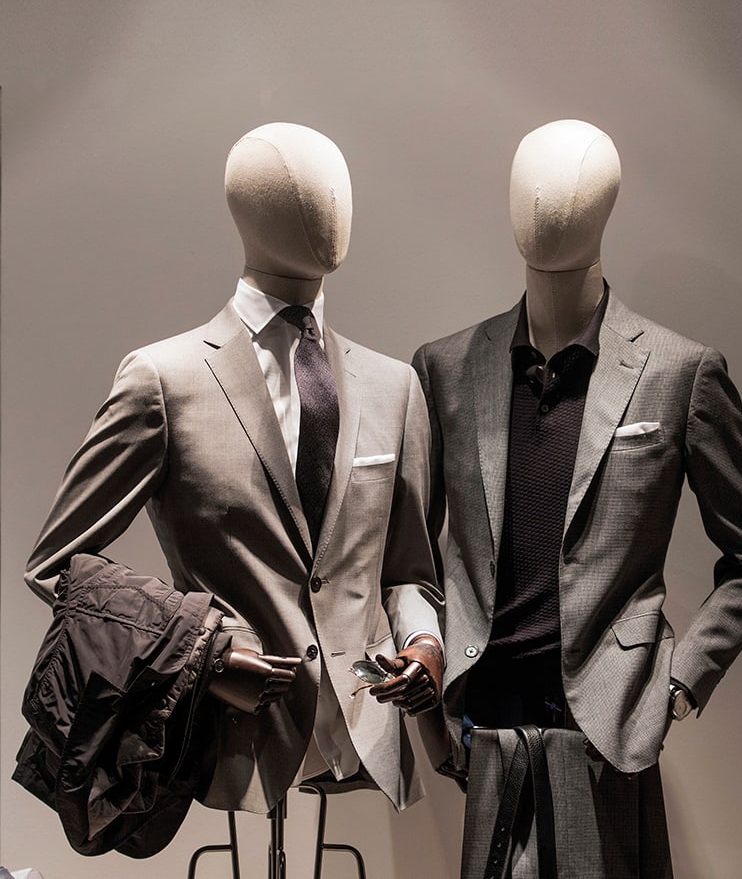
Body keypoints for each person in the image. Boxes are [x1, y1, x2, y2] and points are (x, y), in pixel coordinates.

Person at [25, 122, 443, 816]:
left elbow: (408, 571)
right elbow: (58, 563)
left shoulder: (393, 385)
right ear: (249, 207)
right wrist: (201, 650)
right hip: (231, 739)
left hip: (364, 730)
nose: (329, 209)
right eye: (303, 193)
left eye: (335, 192)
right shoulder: (165, 378)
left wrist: (426, 642)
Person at [413, 119, 742, 877]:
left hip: (610, 732)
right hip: (484, 728)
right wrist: (429, 673)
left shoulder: (680, 373)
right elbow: (412, 557)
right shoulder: (446, 368)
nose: (545, 205)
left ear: (606, 204)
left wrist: (676, 686)